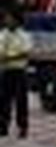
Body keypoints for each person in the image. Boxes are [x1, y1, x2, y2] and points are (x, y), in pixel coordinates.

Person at [0, 10, 32, 138]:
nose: (7, 21)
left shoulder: (24, 35)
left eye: (10, 18)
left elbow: (25, 53)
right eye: (6, 19)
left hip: (19, 71)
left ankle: (22, 127)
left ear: (17, 21)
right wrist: (9, 58)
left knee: (21, 101)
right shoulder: (2, 35)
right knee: (3, 101)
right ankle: (3, 126)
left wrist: (8, 57)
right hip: (5, 71)